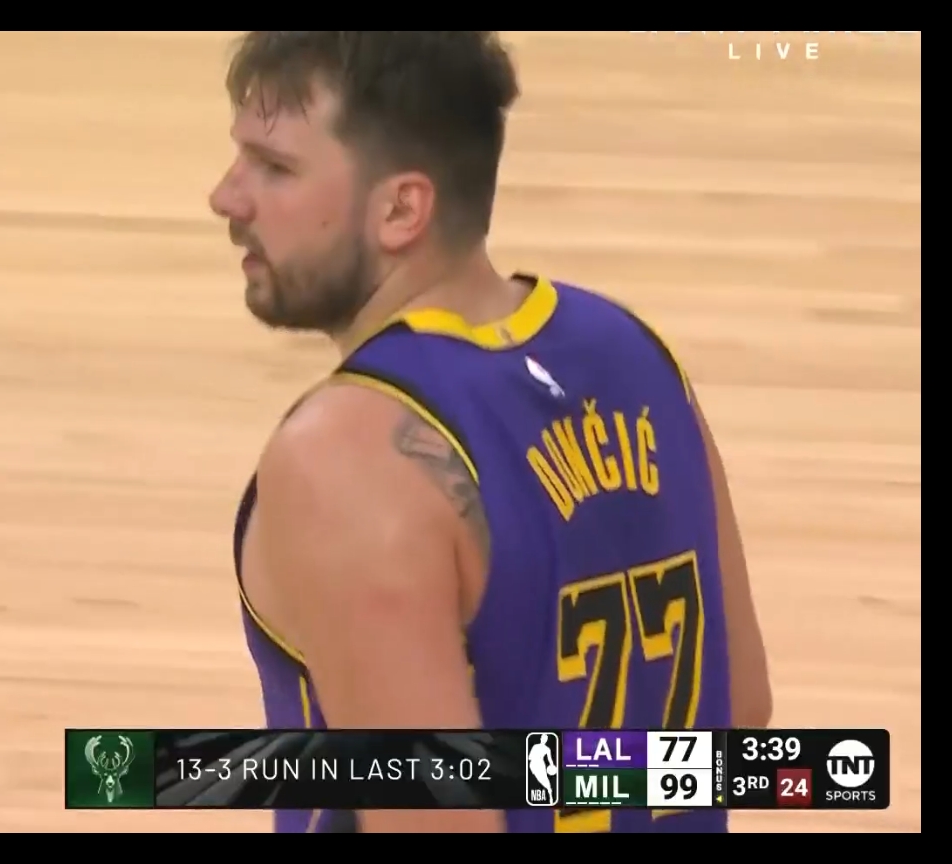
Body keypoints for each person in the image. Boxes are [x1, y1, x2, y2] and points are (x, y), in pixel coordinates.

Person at [211, 31, 773, 834]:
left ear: (401, 209)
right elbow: (739, 709)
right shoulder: (637, 355)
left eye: (274, 168)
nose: (227, 197)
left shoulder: (346, 454)